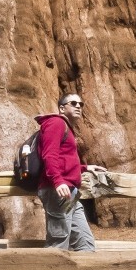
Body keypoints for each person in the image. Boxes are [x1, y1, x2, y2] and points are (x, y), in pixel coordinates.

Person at [35, 93, 105, 252]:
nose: (79, 106)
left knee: (85, 244)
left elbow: (63, 161)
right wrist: (58, 181)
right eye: (73, 103)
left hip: (70, 193)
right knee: (58, 242)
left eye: (81, 104)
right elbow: (49, 155)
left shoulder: (65, 126)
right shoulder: (56, 123)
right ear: (62, 108)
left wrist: (85, 168)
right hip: (58, 191)